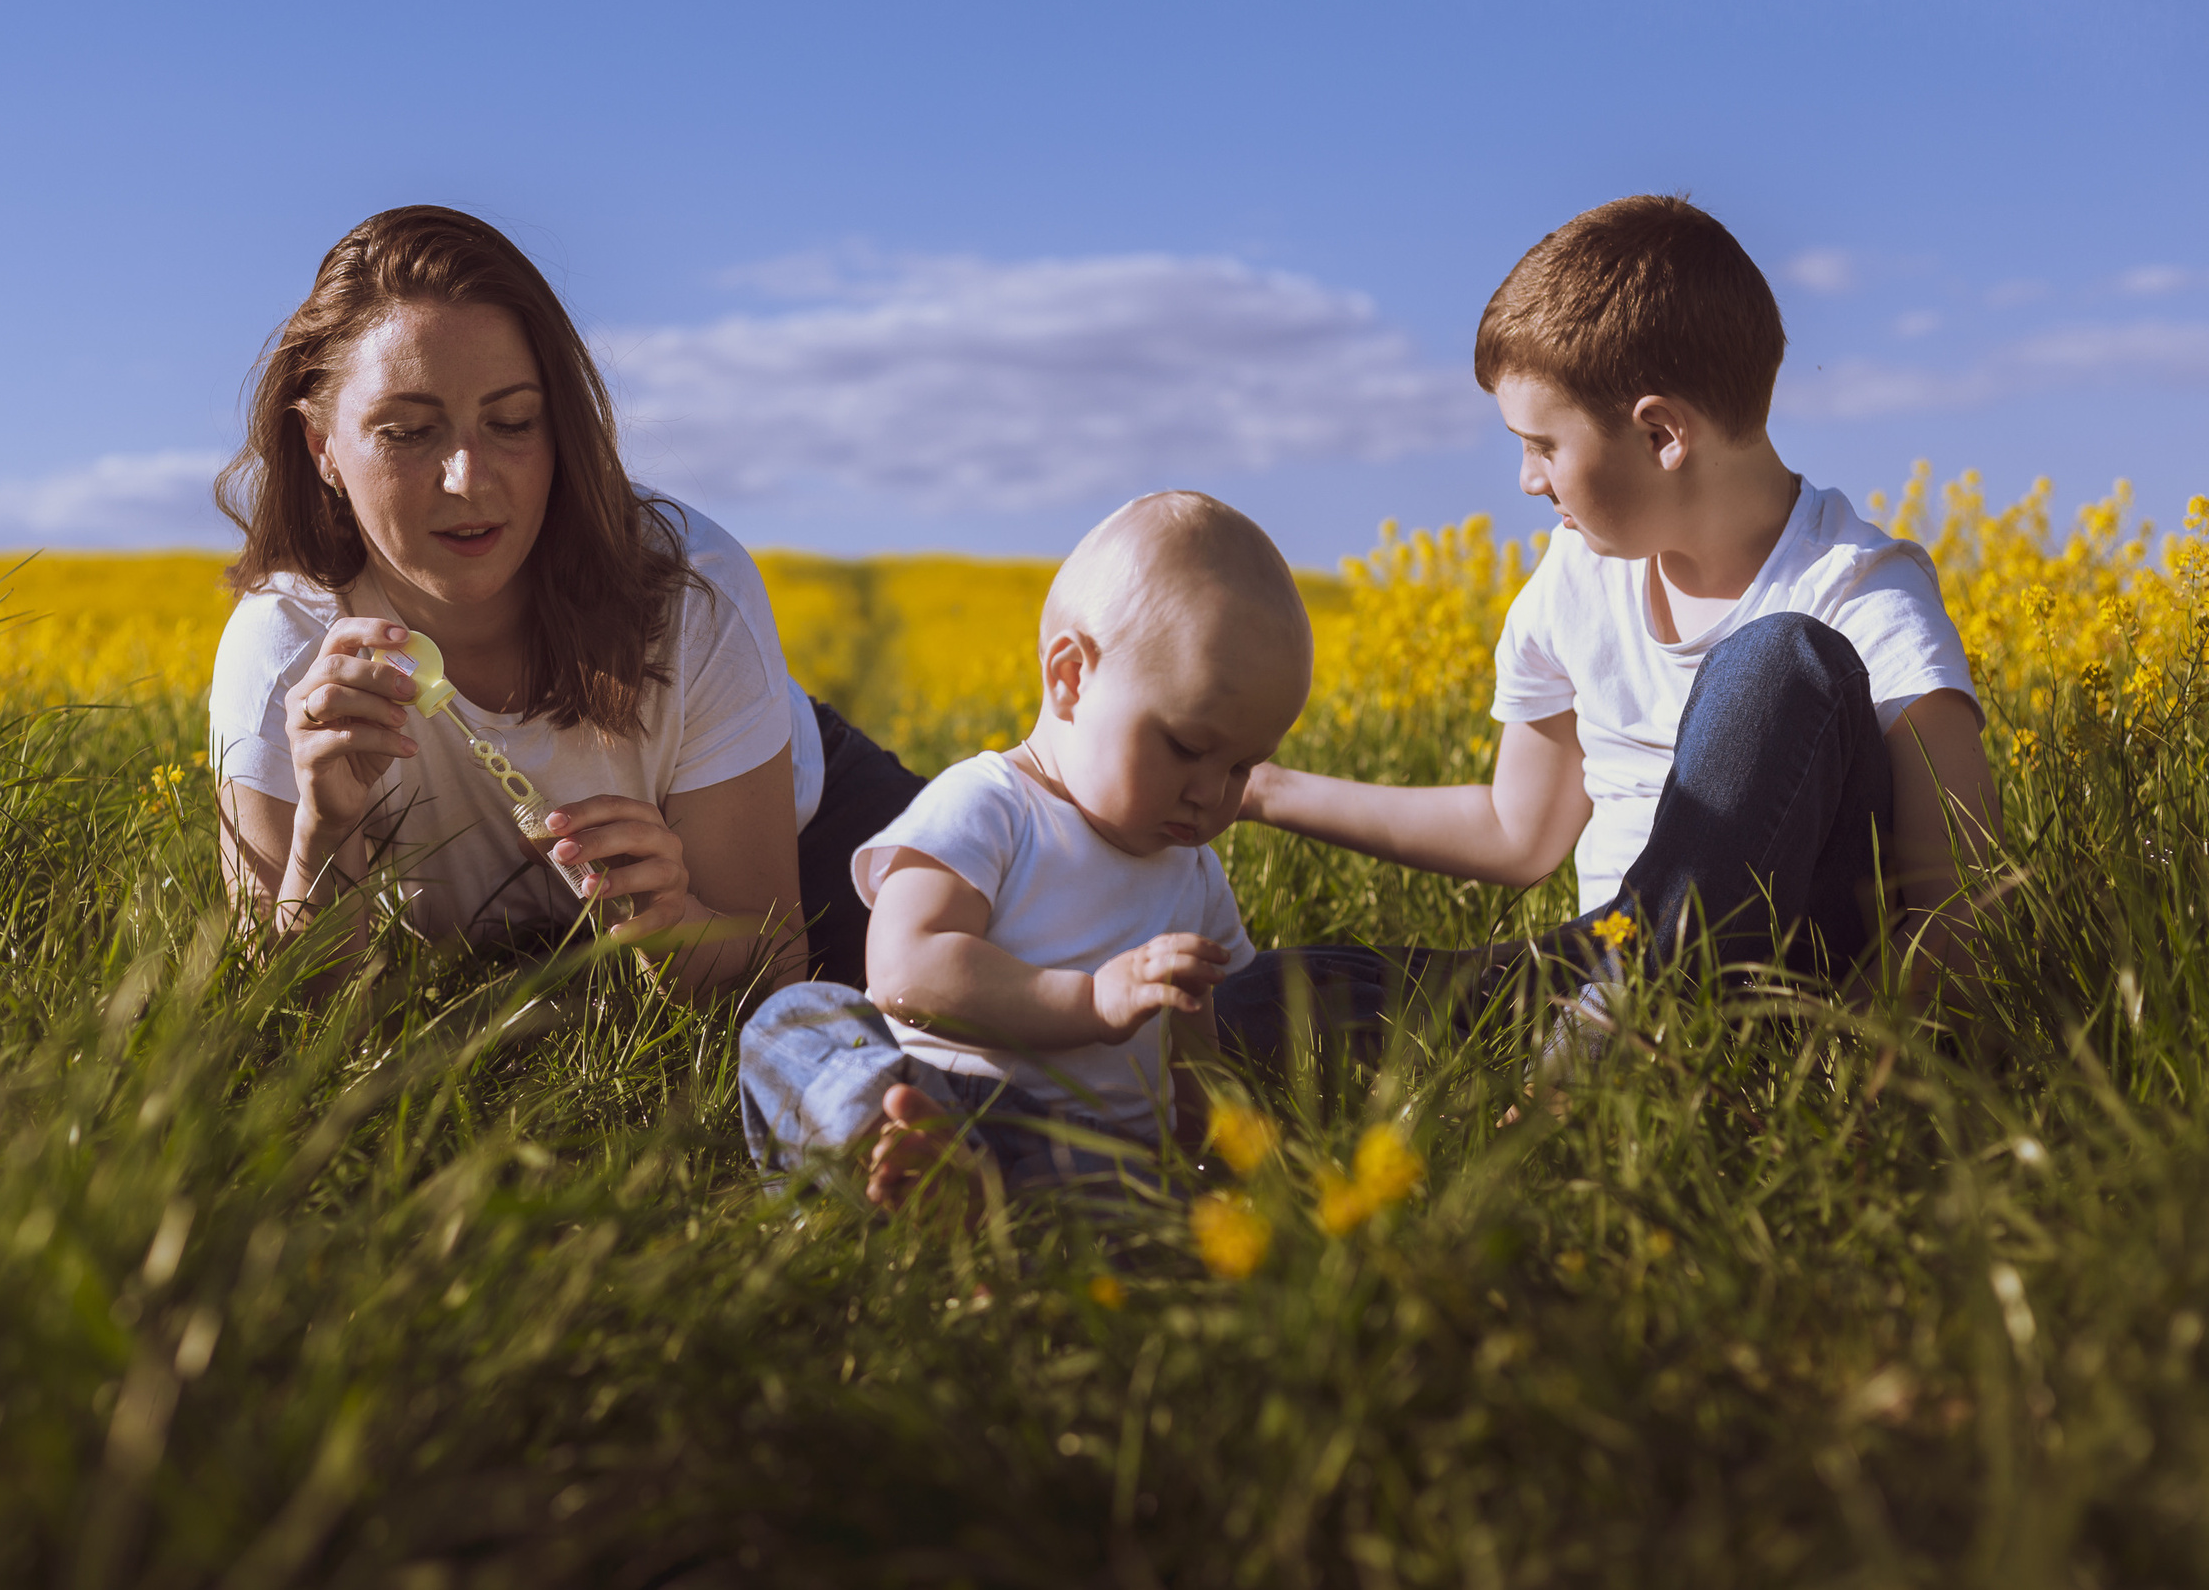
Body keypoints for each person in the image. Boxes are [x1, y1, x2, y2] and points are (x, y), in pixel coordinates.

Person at [1221, 195, 2001, 1058]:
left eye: (1543, 445)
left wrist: (1861, 1070)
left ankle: (1602, 1057)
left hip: (1788, 994)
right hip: (1605, 960)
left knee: (1780, 662)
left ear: (1663, 433)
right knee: (1266, 998)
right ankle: (1593, 1042)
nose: (1526, 479)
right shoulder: (1576, 579)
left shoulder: (1860, 593)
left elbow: (1960, 900)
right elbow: (1519, 832)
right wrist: (1264, 790)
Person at [207, 205, 923, 992]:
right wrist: (320, 834)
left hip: (813, 836)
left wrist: (673, 920)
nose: (468, 478)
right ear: (322, 449)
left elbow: (773, 966)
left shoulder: (694, 590)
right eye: (409, 433)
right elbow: (290, 1027)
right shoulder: (284, 650)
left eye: (512, 422)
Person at [737, 493, 1312, 1203]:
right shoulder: (993, 804)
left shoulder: (1193, 874)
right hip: (956, 1110)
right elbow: (902, 966)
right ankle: (889, 1149)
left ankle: (970, 1201)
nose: (1213, 794)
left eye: (1241, 768)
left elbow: (1205, 1054)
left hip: (1103, 1162)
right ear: (1071, 679)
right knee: (794, 1022)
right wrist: (1089, 1001)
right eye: (1189, 747)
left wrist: (1212, 1141)